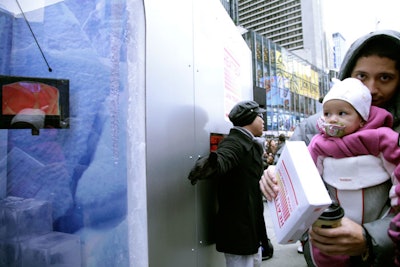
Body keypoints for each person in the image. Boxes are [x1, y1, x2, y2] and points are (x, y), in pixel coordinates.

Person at [260, 30, 400, 267]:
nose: (371, 88)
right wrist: (273, 175)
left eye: (385, 78)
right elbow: (288, 177)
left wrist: (371, 238)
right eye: (361, 76)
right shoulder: (311, 127)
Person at [308, 77, 400, 266]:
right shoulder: (318, 143)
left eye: (342, 113)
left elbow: (396, 164)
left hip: (378, 214)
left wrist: (397, 198)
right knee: (328, 248)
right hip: (336, 215)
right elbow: (308, 174)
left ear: (361, 119)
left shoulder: (381, 137)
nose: (333, 119)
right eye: (327, 113)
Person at [188, 100, 270, 267]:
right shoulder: (235, 141)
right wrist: (212, 164)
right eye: (259, 116)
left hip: (250, 225)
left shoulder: (250, 143)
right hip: (238, 228)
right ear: (249, 118)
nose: (263, 120)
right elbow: (224, 157)